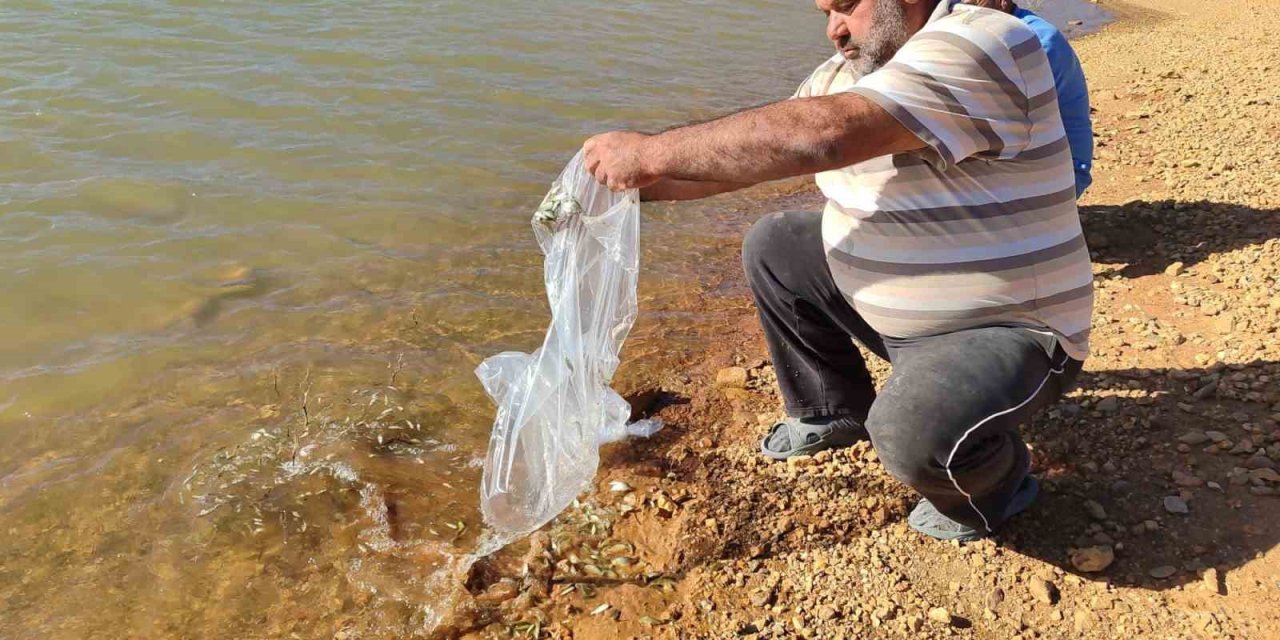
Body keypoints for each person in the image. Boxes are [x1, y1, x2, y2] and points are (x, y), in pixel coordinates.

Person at [582, 0, 1094, 541]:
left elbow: (822, 135)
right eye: (824, 13)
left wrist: (649, 151)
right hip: (900, 317)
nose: (834, 30)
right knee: (776, 242)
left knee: (909, 431)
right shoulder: (851, 74)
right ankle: (831, 409)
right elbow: (733, 165)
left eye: (846, 6)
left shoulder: (985, 42)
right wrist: (626, 189)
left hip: (1010, 330)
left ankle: (995, 490)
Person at [961, 0, 1094, 196]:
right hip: (1045, 167)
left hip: (1062, 178)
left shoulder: (1034, 42)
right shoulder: (993, 32)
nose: (960, 5)